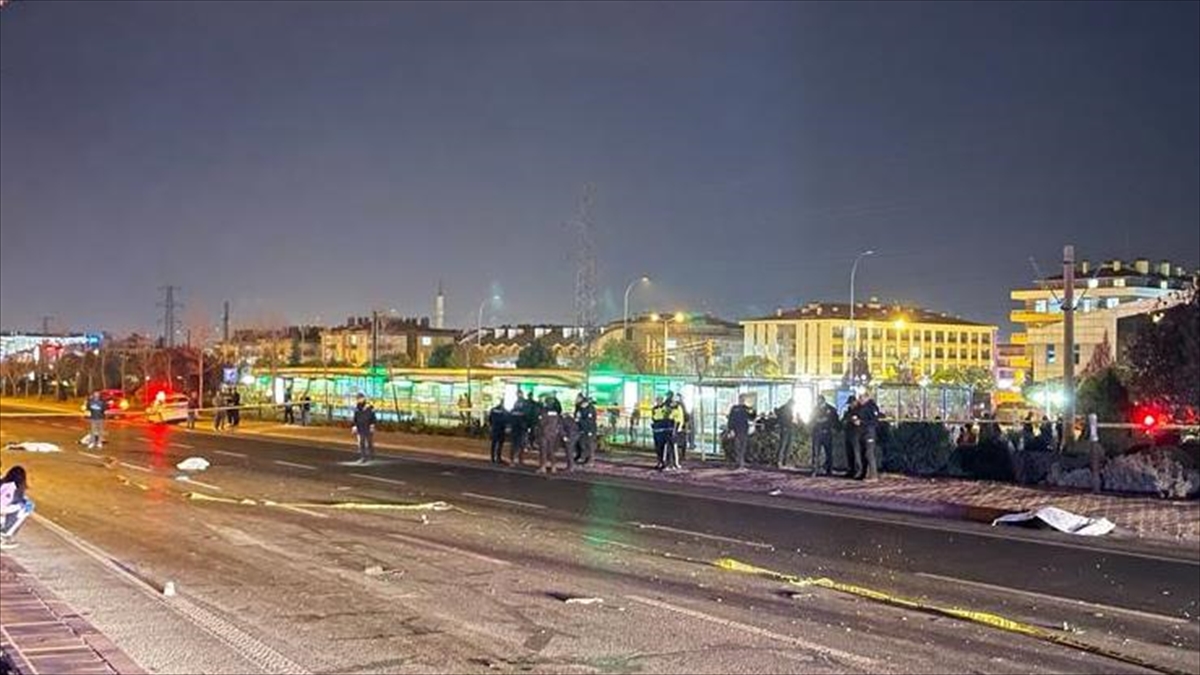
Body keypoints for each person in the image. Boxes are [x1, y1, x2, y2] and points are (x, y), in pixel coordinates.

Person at [1, 466, 33, 549]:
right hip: (3, 511)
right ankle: (4, 534)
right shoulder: (15, 489)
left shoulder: (2, 482)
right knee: (25, 509)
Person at [855, 391, 883, 480]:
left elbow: (875, 421)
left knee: (869, 453)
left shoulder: (872, 407)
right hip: (862, 433)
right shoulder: (860, 407)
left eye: (861, 397)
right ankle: (865, 474)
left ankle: (874, 475)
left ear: (866, 397)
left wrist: (862, 422)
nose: (859, 399)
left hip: (869, 432)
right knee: (864, 453)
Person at [811, 395, 838, 475]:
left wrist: (835, 428)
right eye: (817, 401)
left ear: (823, 401)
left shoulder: (831, 409)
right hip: (817, 433)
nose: (818, 403)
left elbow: (835, 420)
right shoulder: (815, 409)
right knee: (816, 452)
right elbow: (811, 420)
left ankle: (829, 470)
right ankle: (815, 470)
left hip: (827, 432)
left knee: (828, 452)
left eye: (819, 401)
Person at [726, 395, 754, 470]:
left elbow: (752, 417)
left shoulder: (746, 408)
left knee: (742, 448)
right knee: (738, 447)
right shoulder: (735, 408)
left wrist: (752, 409)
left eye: (743, 399)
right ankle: (739, 464)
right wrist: (730, 430)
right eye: (742, 399)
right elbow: (730, 420)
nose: (742, 400)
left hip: (743, 430)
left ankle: (740, 464)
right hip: (738, 430)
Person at [537, 394, 564, 474]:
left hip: (544, 433)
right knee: (551, 451)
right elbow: (559, 423)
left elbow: (541, 423)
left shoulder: (543, 411)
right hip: (553, 434)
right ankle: (553, 467)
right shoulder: (555, 412)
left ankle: (543, 467)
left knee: (543, 451)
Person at [352, 393, 377, 463]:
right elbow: (355, 418)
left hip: (368, 427)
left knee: (369, 443)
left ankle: (372, 455)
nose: (358, 400)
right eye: (357, 399)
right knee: (361, 443)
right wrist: (354, 426)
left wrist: (372, 425)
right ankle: (363, 457)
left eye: (360, 398)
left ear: (363, 398)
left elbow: (373, 417)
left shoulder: (370, 407)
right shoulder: (356, 408)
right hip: (360, 428)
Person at [574, 394, 598, 465]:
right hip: (582, 429)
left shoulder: (590, 409)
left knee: (589, 445)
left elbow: (590, 421)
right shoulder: (580, 408)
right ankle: (584, 458)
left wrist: (579, 420)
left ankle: (590, 461)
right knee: (582, 444)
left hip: (589, 429)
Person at [664, 392, 686, 469]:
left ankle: (675, 463)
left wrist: (680, 426)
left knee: (674, 446)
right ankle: (668, 463)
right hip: (669, 427)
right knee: (668, 446)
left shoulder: (678, 408)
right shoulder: (668, 407)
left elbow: (681, 418)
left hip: (675, 427)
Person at [774, 396, 796, 468]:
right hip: (786, 428)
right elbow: (785, 418)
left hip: (787, 428)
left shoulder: (786, 408)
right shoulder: (786, 409)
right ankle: (781, 461)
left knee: (786, 445)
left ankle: (783, 461)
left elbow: (777, 412)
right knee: (784, 445)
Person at [841, 397, 860, 478]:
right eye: (849, 404)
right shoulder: (848, 411)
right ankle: (850, 470)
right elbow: (842, 421)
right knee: (849, 453)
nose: (850, 405)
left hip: (856, 434)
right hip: (848, 434)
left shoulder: (859, 410)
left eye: (851, 403)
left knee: (857, 453)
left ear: (855, 402)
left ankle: (858, 471)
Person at [509, 390, 530, 466]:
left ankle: (515, 460)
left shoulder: (515, 408)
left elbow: (511, 416)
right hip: (520, 428)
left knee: (517, 444)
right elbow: (527, 416)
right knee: (519, 444)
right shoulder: (524, 406)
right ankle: (518, 460)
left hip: (517, 428)